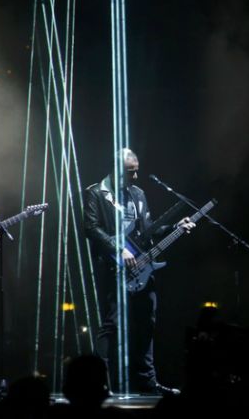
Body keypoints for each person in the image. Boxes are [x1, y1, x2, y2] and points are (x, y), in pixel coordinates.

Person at [83, 148, 195, 395]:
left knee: (147, 323)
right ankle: (97, 383)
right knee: (112, 325)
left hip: (142, 268)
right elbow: (91, 228)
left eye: (136, 171)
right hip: (113, 267)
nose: (135, 177)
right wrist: (119, 249)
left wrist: (174, 227)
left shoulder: (138, 194)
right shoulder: (96, 193)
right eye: (130, 172)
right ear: (116, 170)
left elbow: (148, 230)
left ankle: (148, 381)